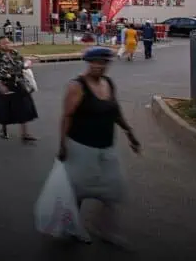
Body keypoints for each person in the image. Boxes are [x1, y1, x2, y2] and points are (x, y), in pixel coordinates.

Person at [58, 46, 141, 246]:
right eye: (96, 62)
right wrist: (62, 145)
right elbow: (67, 116)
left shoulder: (108, 83)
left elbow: (115, 111)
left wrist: (129, 132)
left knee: (111, 188)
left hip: (106, 146)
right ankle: (70, 227)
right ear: (88, 63)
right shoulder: (77, 86)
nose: (100, 66)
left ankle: (105, 229)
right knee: (78, 190)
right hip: (82, 146)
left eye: (104, 62)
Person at [0, 36, 38, 142]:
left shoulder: (15, 53)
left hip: (18, 83)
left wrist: (27, 64)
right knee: (4, 108)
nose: (7, 45)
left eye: (8, 42)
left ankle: (24, 133)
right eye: (4, 43)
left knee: (24, 107)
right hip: (4, 84)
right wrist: (0, 85)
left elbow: (21, 65)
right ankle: (3, 129)